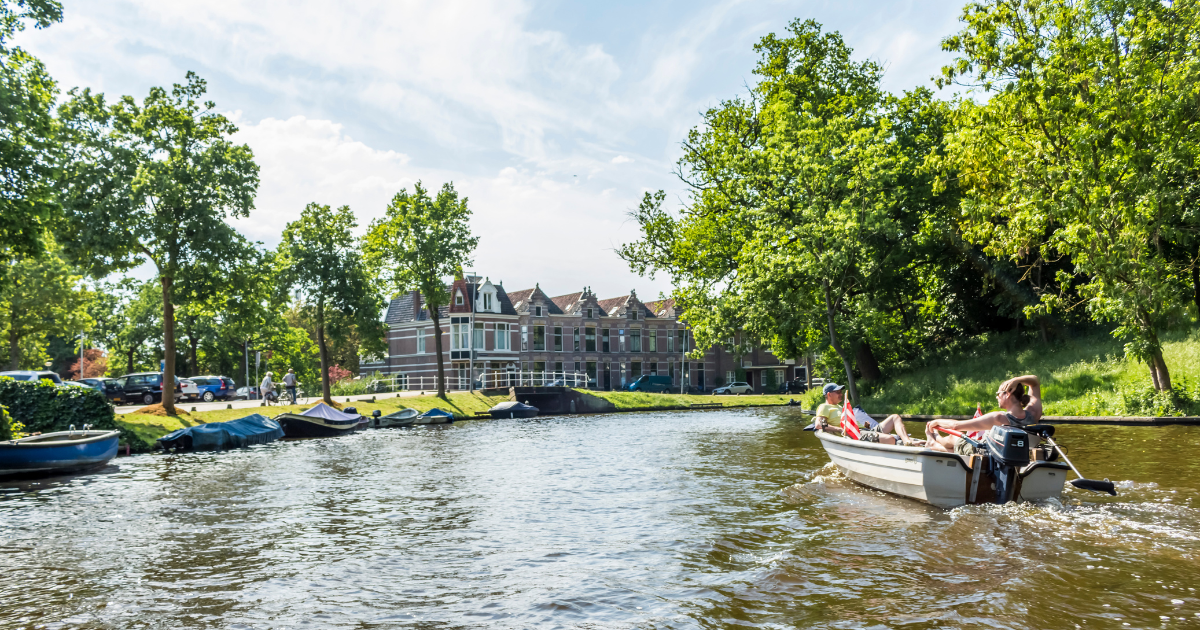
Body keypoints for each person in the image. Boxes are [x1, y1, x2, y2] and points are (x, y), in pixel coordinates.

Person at [924, 375, 1044, 455]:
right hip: (1016, 454)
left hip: (985, 454)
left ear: (1007, 394)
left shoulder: (998, 418)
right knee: (962, 444)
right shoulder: (1033, 413)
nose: (996, 397)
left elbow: (956, 426)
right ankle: (933, 444)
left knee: (954, 438)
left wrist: (936, 422)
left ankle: (934, 440)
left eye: (998, 393)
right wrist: (1017, 380)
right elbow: (1034, 382)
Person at [812, 382, 921, 446]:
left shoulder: (841, 407)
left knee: (895, 417)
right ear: (829, 394)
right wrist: (840, 429)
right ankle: (901, 444)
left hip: (865, 430)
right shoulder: (824, 407)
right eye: (838, 392)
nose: (841, 394)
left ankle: (907, 441)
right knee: (889, 439)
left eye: (841, 392)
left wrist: (866, 426)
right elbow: (819, 425)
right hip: (857, 435)